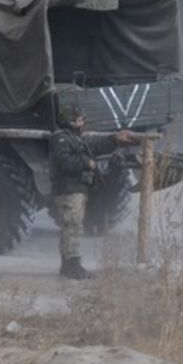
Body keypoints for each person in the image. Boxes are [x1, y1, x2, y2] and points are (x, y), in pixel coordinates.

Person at [50, 105, 137, 279]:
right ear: (71, 121)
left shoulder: (75, 139)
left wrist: (115, 139)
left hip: (76, 188)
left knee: (72, 225)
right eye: (80, 119)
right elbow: (65, 162)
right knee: (72, 225)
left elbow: (95, 148)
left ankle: (68, 265)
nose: (83, 122)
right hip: (68, 189)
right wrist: (87, 163)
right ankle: (72, 266)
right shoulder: (61, 139)